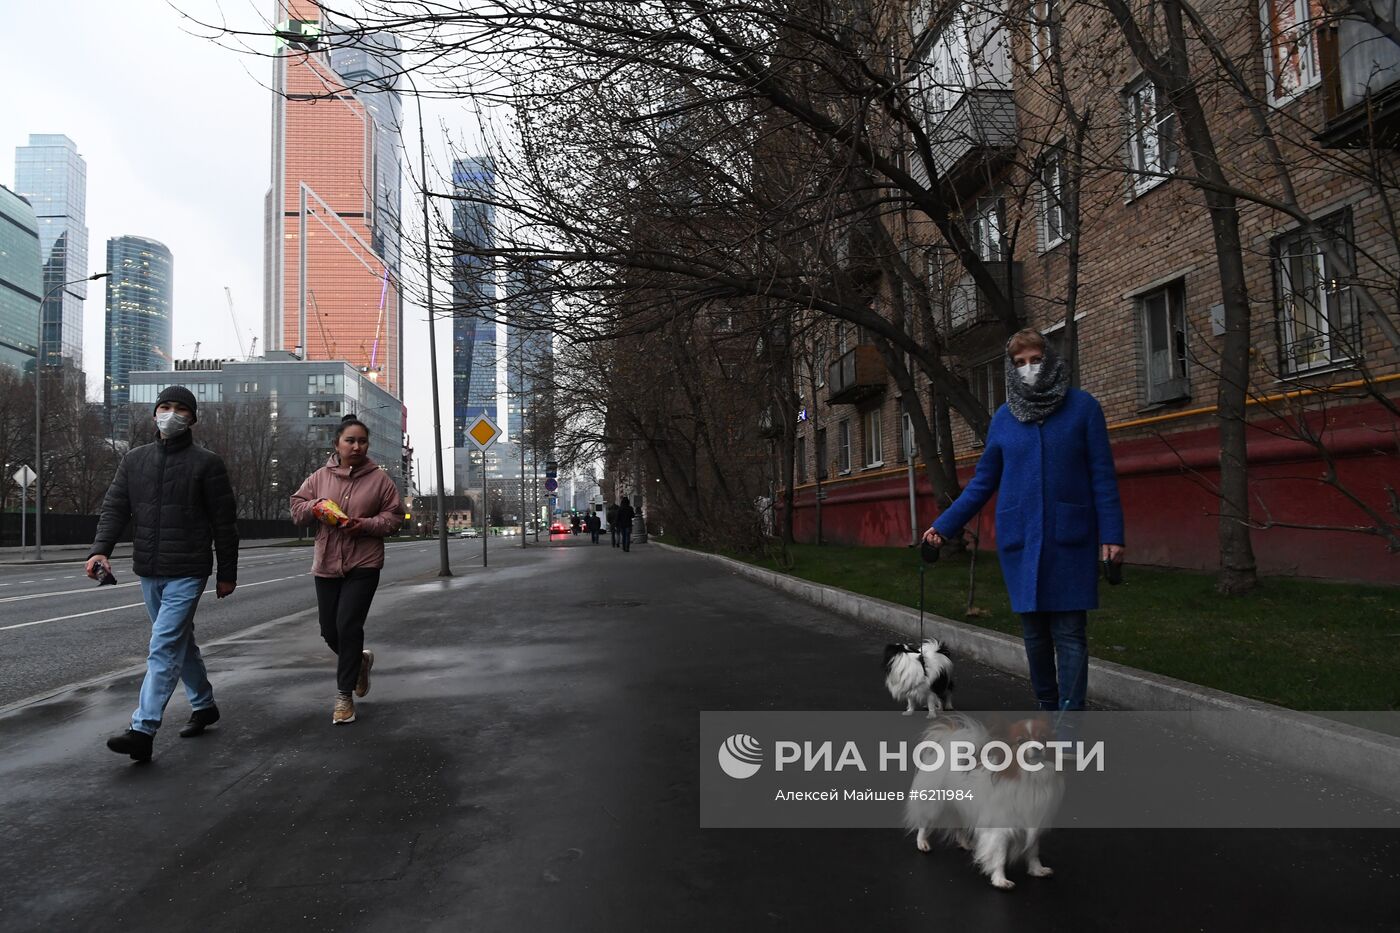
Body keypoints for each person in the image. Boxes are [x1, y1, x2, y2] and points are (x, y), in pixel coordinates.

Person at [923, 329, 1124, 713]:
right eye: (1019, 363)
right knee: (1034, 635)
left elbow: (1103, 476)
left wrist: (1113, 535)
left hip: (1070, 539)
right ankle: (1047, 708)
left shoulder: (1083, 408)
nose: (1028, 369)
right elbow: (982, 483)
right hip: (1022, 541)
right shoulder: (1004, 418)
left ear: (1049, 360)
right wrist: (944, 525)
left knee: (1069, 633)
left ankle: (1070, 720)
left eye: (1034, 359)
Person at [87, 385, 239, 762]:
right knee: (178, 642)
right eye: (165, 406)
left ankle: (143, 728)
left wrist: (227, 573)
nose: (171, 414)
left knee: (163, 646)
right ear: (155, 412)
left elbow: (225, 524)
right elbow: (115, 508)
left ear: (193, 418)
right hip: (149, 568)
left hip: (188, 568)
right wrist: (99, 551)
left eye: (180, 409)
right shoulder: (134, 460)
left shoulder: (207, 463)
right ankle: (204, 705)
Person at [291, 414, 404, 725]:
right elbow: (297, 508)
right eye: (350, 440)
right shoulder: (318, 478)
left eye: (362, 441)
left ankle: (343, 697)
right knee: (329, 630)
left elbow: (394, 519)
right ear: (336, 444)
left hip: (363, 563)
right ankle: (359, 662)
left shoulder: (380, 480)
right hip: (327, 563)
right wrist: (314, 508)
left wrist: (363, 525)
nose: (356, 446)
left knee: (348, 625)